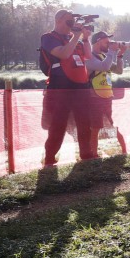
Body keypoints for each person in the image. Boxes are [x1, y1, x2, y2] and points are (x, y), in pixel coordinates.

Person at [40, 9, 94, 165]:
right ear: (58, 21)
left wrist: (85, 38)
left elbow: (88, 56)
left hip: (81, 86)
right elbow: (63, 54)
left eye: (73, 22)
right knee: (58, 124)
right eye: (69, 22)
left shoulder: (73, 38)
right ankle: (50, 157)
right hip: (60, 87)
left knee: (84, 122)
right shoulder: (48, 38)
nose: (71, 25)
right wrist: (76, 35)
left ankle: (86, 154)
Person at [86, 31, 128, 157]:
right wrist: (112, 51)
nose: (109, 44)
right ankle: (93, 155)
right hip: (94, 98)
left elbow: (119, 71)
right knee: (95, 128)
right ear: (98, 40)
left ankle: (124, 151)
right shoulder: (89, 58)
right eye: (107, 41)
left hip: (106, 98)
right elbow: (104, 67)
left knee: (110, 125)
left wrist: (120, 55)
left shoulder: (105, 57)